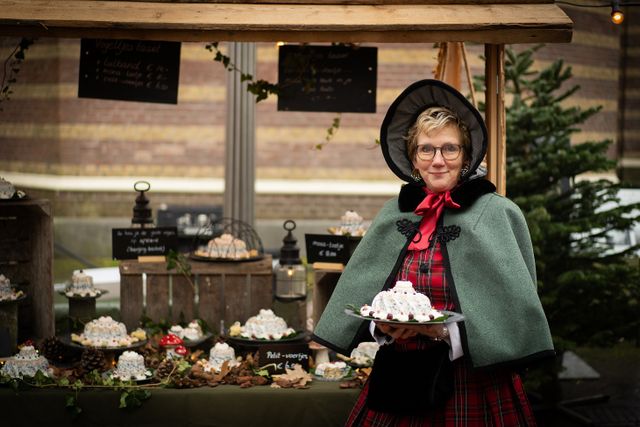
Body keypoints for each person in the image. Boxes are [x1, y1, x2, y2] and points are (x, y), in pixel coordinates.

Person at [311, 79, 554, 426]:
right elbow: (370, 291)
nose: (437, 161)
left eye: (449, 149)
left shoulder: (497, 213)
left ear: (467, 156)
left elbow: (512, 307)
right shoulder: (394, 214)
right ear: (413, 159)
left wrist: (444, 332)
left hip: (474, 384)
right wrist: (384, 328)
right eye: (426, 150)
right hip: (401, 380)